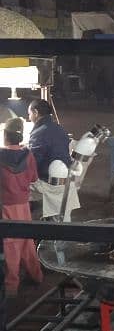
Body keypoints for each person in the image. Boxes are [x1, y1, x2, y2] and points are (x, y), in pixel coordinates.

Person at [0, 117, 43, 296]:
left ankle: (11, 287)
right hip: (24, 204)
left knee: (11, 244)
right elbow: (33, 178)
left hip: (6, 205)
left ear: (5, 135)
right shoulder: (29, 155)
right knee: (26, 240)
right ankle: (37, 276)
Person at [28, 99, 72, 181]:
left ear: (36, 112)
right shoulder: (59, 128)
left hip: (47, 179)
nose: (29, 118)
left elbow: (33, 162)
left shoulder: (39, 133)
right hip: (64, 175)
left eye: (29, 114)